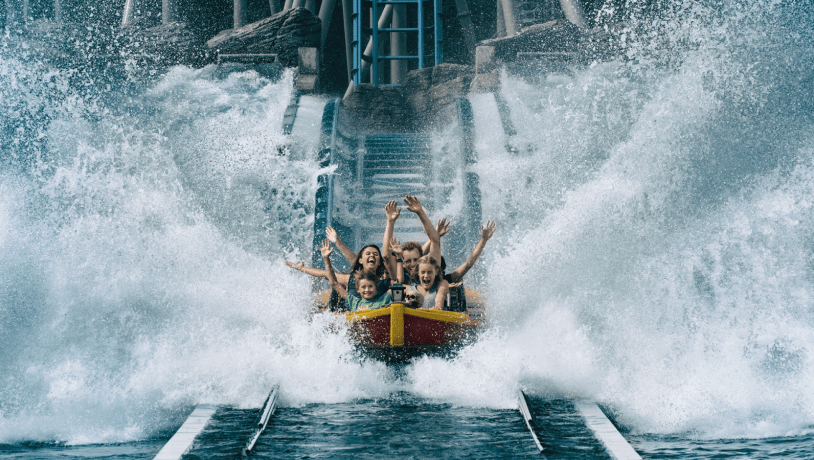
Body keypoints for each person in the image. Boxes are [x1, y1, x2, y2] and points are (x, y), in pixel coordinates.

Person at [320, 239, 391, 311]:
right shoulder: (354, 302)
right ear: (358, 289)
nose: (367, 290)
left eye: (370, 286)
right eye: (363, 287)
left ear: (376, 288)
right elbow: (334, 283)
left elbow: (400, 288)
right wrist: (326, 259)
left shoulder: (382, 301)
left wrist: (398, 258)